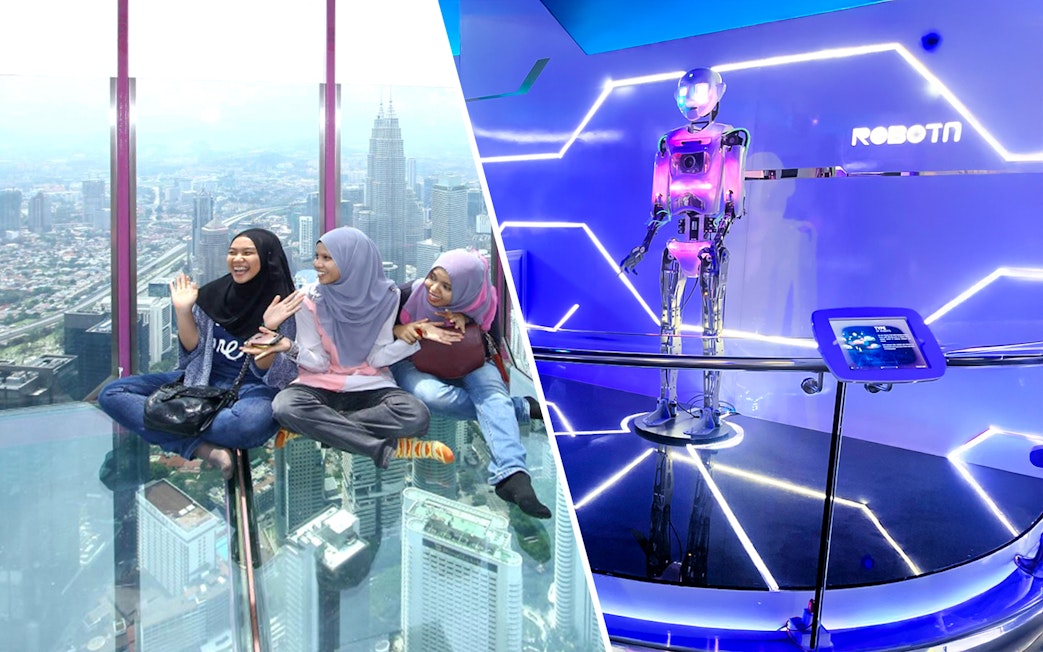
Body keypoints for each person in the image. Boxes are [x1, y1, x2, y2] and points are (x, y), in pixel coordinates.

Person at [98, 228, 300, 480]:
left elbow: (276, 375)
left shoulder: (285, 306)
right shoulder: (212, 296)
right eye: (232, 252)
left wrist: (268, 330)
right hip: (201, 379)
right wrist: (183, 311)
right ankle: (200, 448)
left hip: (253, 386)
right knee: (111, 394)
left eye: (248, 253)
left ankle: (175, 428)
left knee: (247, 426)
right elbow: (193, 354)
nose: (237, 259)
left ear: (267, 258)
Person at [253, 227, 452, 469]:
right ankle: (383, 448)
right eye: (317, 256)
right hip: (319, 384)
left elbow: (378, 359)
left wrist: (414, 339)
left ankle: (318, 428)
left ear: (353, 262)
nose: (317, 264)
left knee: (416, 416)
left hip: (370, 385)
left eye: (327, 258)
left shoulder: (385, 298)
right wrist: (289, 347)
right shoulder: (308, 299)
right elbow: (318, 363)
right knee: (284, 406)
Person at [392, 249, 551, 519]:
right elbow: (372, 329)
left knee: (491, 392)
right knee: (432, 395)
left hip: (469, 359)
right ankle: (519, 408)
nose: (434, 289)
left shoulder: (482, 299)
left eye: (447, 287)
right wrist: (400, 329)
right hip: (412, 360)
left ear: (466, 290)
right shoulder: (408, 295)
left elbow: (492, 342)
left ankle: (513, 475)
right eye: (433, 278)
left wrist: (469, 318)